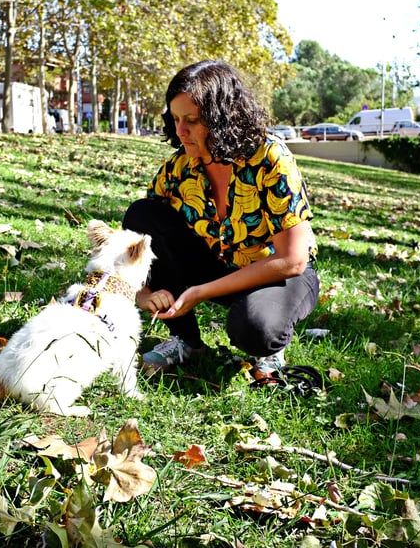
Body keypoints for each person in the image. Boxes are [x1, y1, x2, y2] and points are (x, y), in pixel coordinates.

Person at [121, 60, 319, 380]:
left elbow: (293, 260)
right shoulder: (178, 168)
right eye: (175, 119)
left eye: (191, 121)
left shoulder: (270, 158)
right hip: (219, 264)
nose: (180, 131)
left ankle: (269, 349)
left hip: (277, 273)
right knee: (142, 213)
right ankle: (185, 340)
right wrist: (142, 292)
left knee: (255, 328)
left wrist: (201, 292)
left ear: (222, 119)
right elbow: (139, 238)